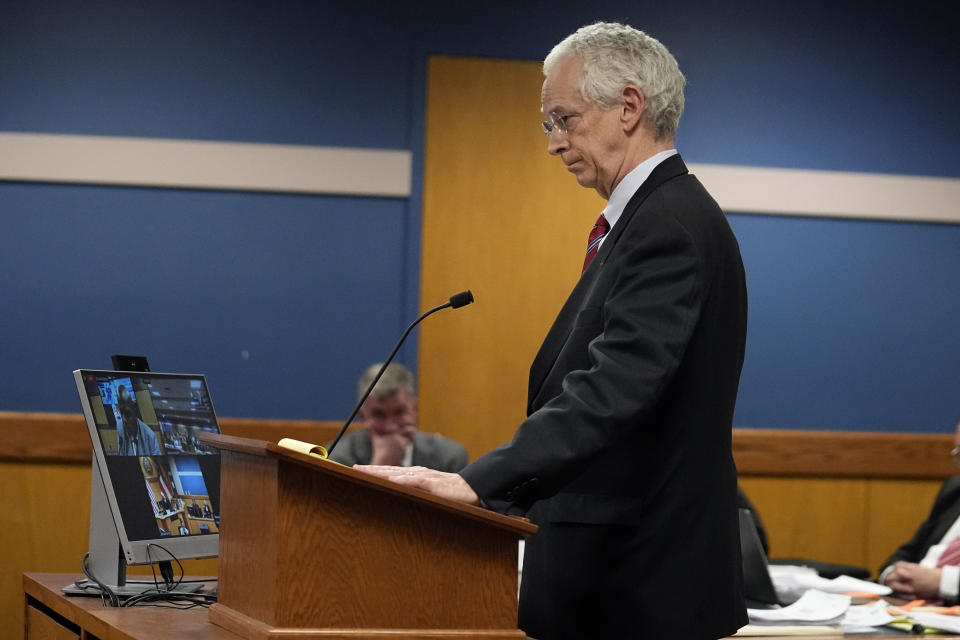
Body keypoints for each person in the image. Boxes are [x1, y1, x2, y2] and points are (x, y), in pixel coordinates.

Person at [358, 21, 748, 640]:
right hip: (623, 577)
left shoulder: (667, 225)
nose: (554, 142)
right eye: (550, 124)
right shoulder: (651, 219)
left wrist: (473, 481)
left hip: (636, 585)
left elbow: (610, 392)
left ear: (628, 107)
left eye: (564, 118)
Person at [327, 363, 469, 472]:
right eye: (378, 415)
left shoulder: (449, 458)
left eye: (399, 412)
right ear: (363, 416)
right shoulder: (336, 460)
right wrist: (380, 466)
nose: (391, 427)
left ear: (414, 410)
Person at [880, 413, 960, 602]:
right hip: (913, 613)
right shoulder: (954, 490)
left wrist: (943, 582)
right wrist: (893, 575)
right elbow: (908, 553)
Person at [115, 385, 161, 456]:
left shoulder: (150, 436)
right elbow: (121, 453)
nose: (124, 420)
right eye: (122, 414)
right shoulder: (119, 426)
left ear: (135, 411)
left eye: (127, 414)